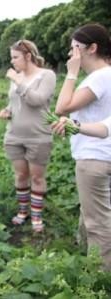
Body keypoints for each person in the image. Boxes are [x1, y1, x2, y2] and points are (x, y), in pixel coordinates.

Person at [54, 23, 111, 270]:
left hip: (94, 157)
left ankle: (100, 277)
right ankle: (84, 257)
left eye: (75, 48)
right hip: (103, 153)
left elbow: (61, 107)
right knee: (95, 216)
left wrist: (71, 73)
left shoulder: (100, 77)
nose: (71, 55)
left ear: (92, 48)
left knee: (98, 223)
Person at [0, 39, 56, 233]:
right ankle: (23, 212)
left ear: (28, 56)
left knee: (37, 177)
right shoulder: (19, 77)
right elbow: (14, 103)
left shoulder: (46, 75)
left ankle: (36, 216)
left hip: (38, 136)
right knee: (21, 175)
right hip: (14, 135)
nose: (12, 61)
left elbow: (37, 101)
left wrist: (18, 81)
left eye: (15, 57)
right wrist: (7, 111)